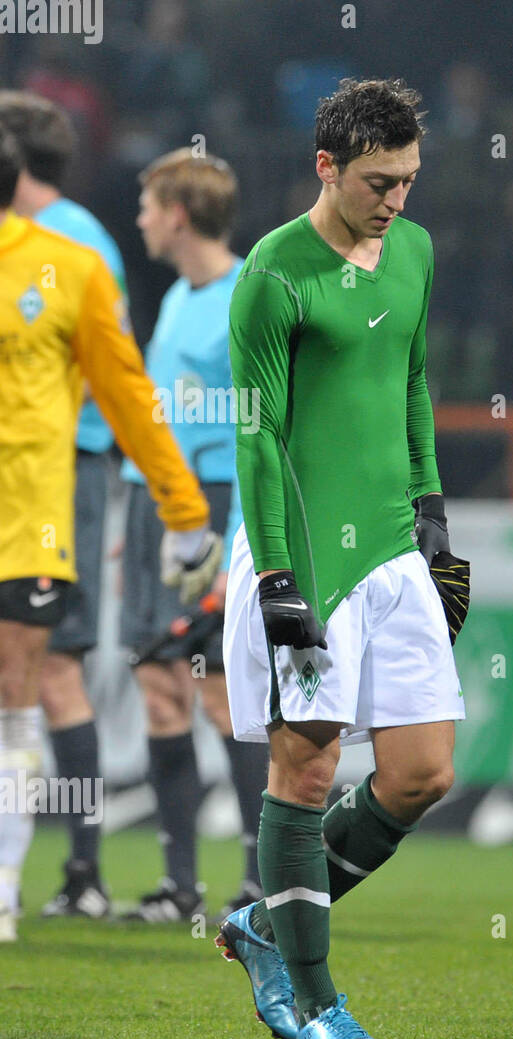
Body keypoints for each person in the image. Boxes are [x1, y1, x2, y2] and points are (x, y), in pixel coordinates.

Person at [214, 78, 469, 1039]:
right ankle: (316, 1004)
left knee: (421, 773)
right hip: (306, 548)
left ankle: (267, 922)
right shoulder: (273, 276)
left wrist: (434, 521)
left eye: (407, 180)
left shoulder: (415, 250)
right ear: (325, 166)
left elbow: (410, 382)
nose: (394, 200)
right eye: (376, 181)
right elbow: (259, 440)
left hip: (392, 548)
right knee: (308, 761)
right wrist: (276, 575)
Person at [0, 125, 220, 943]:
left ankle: (6, 890)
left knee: (17, 694)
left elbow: (129, 397)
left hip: (29, 520)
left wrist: (184, 508)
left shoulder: (69, 266)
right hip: (38, 517)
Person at [118, 148, 268, 924]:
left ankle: (260, 879)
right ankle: (180, 886)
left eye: (149, 206)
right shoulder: (178, 295)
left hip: (212, 509)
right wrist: (135, 520)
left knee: (219, 693)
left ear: (178, 214)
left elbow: (256, 434)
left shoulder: (246, 294)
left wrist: (236, 547)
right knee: (158, 689)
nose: (141, 218)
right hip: (155, 507)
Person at [0, 91, 127, 919]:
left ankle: (82, 870)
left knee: (58, 672)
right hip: (41, 470)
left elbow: (113, 367)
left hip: (64, 470)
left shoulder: (73, 241)